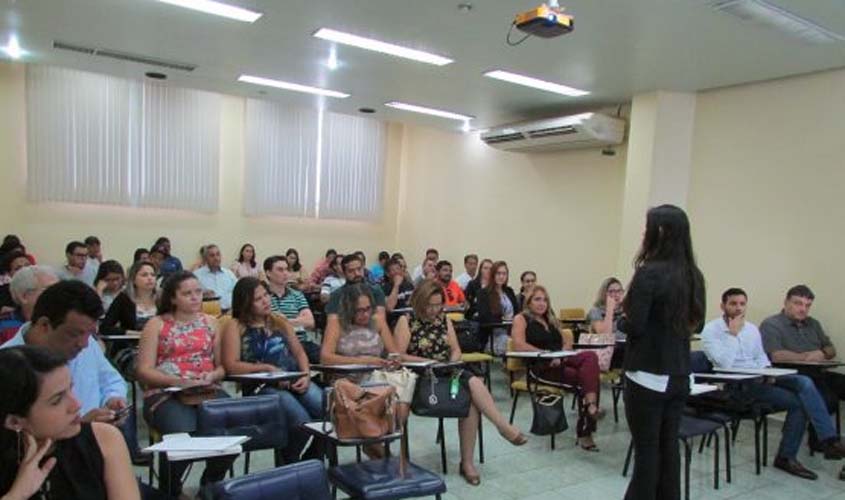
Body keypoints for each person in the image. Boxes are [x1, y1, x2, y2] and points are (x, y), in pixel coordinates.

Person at [702, 288, 845, 479]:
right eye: (733, 304)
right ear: (723, 306)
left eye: (742, 304)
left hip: (761, 376)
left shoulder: (751, 329)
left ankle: (827, 441)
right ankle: (789, 456)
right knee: (799, 403)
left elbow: (761, 357)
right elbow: (723, 364)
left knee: (803, 381)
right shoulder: (711, 330)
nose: (738, 308)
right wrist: (732, 335)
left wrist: (768, 372)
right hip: (739, 385)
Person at [394, 280, 526, 486]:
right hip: (421, 375)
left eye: (438, 305)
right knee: (470, 387)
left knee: (471, 392)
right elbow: (400, 356)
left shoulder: (443, 319)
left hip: (446, 369)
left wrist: (452, 359)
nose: (435, 309)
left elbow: (455, 348)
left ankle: (468, 462)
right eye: (430, 305)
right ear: (420, 302)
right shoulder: (406, 320)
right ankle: (503, 427)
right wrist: (430, 362)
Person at [0, 281, 146, 466]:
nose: (83, 343)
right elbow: (10, 446)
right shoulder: (7, 367)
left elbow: (110, 378)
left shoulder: (86, 345)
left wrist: (112, 399)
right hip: (44, 469)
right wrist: (79, 428)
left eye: (89, 334)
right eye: (74, 334)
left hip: (98, 453)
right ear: (45, 325)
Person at [618, 204, 706, 500]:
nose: (644, 234)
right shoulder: (695, 275)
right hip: (680, 374)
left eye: (647, 228)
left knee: (647, 454)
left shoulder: (649, 273)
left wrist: (621, 319)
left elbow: (636, 326)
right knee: (669, 450)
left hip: (648, 374)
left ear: (660, 233)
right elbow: (699, 324)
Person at [135, 271, 234, 497]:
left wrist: (211, 376)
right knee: (182, 434)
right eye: (187, 293)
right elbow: (144, 370)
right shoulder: (156, 325)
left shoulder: (211, 323)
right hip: (165, 392)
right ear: (172, 298)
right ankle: (171, 489)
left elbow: (221, 367)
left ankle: (209, 485)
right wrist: (178, 381)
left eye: (198, 292)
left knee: (231, 429)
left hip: (206, 389)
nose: (194, 297)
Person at [0, 346, 140, 500]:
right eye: (57, 400)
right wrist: (17, 494)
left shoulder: (103, 439)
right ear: (14, 421)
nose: (77, 404)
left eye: (70, 389)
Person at [221, 277, 323, 461]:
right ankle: (290, 461)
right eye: (258, 299)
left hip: (294, 378)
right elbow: (231, 365)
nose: (266, 301)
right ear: (245, 303)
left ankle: (311, 459)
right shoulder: (235, 326)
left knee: (330, 412)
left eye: (266, 295)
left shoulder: (279, 321)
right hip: (261, 386)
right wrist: (266, 368)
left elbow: (299, 353)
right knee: (301, 420)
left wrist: (306, 375)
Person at [511, 285, 602, 451]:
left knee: (590, 357)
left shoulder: (550, 318)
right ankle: (586, 429)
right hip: (540, 368)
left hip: (561, 361)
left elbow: (566, 341)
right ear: (529, 302)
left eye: (545, 300)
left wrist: (564, 353)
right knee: (588, 379)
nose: (542, 303)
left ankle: (590, 406)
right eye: (537, 299)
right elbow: (518, 345)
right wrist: (546, 354)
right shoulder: (521, 318)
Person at [320, 283, 402, 458]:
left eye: (367, 309)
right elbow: (325, 358)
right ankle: (382, 453)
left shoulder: (377, 320)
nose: (365, 314)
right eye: (359, 310)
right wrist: (364, 360)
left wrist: (392, 360)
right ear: (348, 309)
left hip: (376, 379)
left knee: (395, 391)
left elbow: (394, 352)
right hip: (347, 384)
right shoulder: (336, 323)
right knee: (369, 398)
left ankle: (377, 447)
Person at [760, 285, 845, 452]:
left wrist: (821, 353)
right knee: (826, 398)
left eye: (807, 305)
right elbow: (775, 355)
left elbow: (831, 349)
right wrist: (805, 357)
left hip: (818, 372)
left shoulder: (813, 324)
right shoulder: (771, 324)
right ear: (786, 302)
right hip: (788, 374)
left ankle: (823, 441)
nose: (803, 309)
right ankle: (825, 441)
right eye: (798, 304)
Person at [264, 256, 319, 364]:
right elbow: (267, 324)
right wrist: (298, 320)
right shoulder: (263, 297)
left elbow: (310, 322)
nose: (285, 273)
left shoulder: (297, 295)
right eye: (280, 270)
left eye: (287, 269)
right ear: (268, 273)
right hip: (276, 343)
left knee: (324, 356)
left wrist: (284, 321)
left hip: (302, 342)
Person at [100, 261, 158, 336]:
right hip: (131, 344)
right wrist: (132, 333)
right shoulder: (124, 299)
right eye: (144, 275)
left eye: (153, 275)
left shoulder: (163, 299)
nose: (150, 278)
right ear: (133, 279)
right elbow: (105, 328)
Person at [475, 261, 518, 355]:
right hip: (493, 335)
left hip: (512, 331)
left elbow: (518, 313)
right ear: (492, 275)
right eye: (498, 273)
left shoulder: (509, 291)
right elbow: (485, 317)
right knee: (514, 344)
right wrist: (504, 320)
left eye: (504, 274)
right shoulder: (483, 293)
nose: (501, 276)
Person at [193, 244, 237, 312]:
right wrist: (202, 294)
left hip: (229, 312)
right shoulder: (196, 275)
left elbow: (239, 292)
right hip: (207, 313)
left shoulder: (229, 274)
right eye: (212, 255)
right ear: (205, 258)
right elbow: (191, 296)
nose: (216, 258)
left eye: (218, 254)